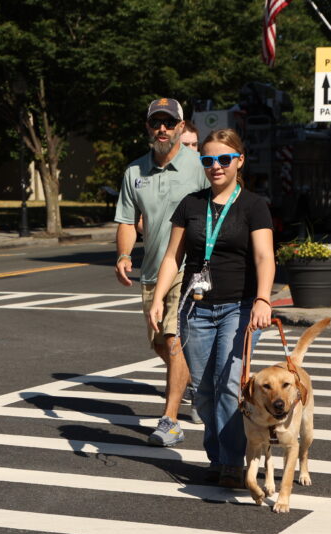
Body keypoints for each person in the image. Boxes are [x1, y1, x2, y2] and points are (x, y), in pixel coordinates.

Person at [147, 128, 275, 487]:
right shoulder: (191, 204)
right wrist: (158, 299)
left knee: (229, 385)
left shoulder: (253, 205)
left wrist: (263, 298)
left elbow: (265, 257)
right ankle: (218, 456)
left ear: (239, 161)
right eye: (208, 160)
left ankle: (231, 462)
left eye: (223, 159)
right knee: (204, 390)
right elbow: (173, 257)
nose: (215, 166)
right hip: (196, 309)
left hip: (240, 307)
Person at [114, 98, 209, 447]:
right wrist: (124, 254)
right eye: (157, 123)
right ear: (148, 128)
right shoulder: (134, 173)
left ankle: (170, 421)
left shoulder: (199, 167)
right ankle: (199, 385)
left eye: (169, 123)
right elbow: (126, 220)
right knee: (159, 343)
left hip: (189, 269)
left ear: (181, 127)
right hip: (152, 272)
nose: (163, 129)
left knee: (173, 339)